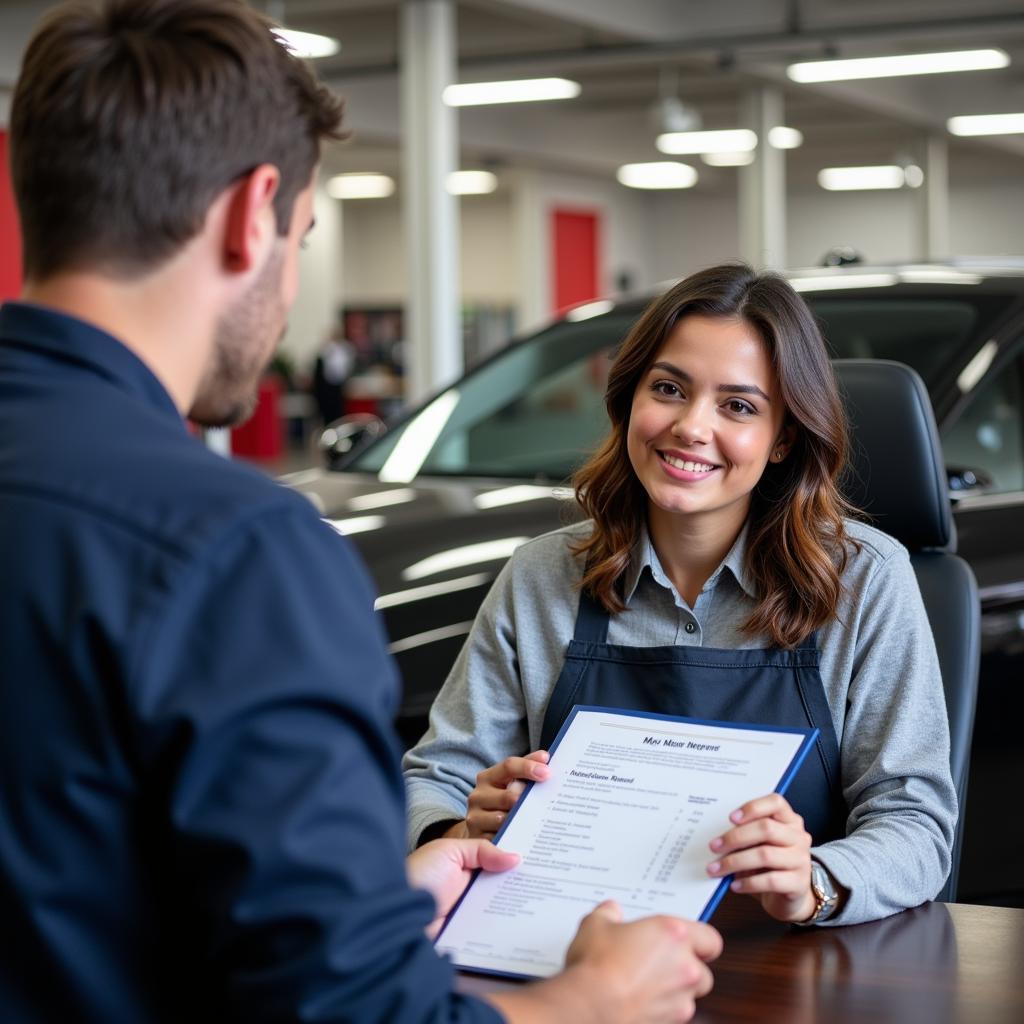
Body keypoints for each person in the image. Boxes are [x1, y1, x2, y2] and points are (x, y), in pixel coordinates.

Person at [0, 2, 721, 1022]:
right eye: (301, 236)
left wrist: (362, 908)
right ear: (255, 214)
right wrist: (588, 1000)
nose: (289, 283)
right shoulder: (236, 551)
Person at [404, 263, 957, 927]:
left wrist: (814, 882)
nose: (692, 427)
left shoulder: (866, 581)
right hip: (572, 951)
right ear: (630, 398)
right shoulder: (541, 575)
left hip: (783, 969)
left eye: (738, 406)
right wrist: (459, 831)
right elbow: (435, 779)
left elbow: (917, 830)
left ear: (783, 438)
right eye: (669, 388)